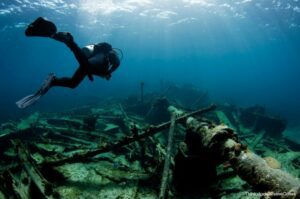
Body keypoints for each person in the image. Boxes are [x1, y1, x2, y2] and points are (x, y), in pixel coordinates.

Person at [16, 17, 121, 109]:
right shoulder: (111, 57)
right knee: (85, 65)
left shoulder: (102, 65)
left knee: (72, 84)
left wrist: (97, 73)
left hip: (87, 63)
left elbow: (91, 69)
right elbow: (116, 64)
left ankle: (54, 81)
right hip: (88, 63)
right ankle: (70, 41)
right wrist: (109, 72)